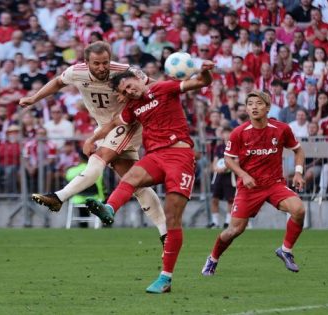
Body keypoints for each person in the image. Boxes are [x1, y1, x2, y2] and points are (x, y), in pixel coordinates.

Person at [83, 61, 215, 294]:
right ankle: (110, 209)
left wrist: (203, 69)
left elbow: (203, 82)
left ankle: (165, 278)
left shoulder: (165, 88)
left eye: (129, 86)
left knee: (172, 218)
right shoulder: (133, 108)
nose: (129, 92)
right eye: (124, 92)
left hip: (180, 156)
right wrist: (92, 139)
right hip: (155, 156)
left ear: (138, 78)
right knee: (130, 178)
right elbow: (114, 123)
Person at [19, 41, 167, 242]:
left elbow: (156, 86)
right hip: (106, 127)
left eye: (105, 62)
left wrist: (137, 92)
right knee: (135, 182)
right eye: (96, 63)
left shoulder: (124, 71)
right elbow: (57, 82)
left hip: (128, 122)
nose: (102, 67)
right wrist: (34, 98)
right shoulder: (75, 72)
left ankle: (59, 197)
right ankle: (165, 231)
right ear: (86, 62)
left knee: (100, 157)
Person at [201, 90, 306, 276]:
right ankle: (213, 258)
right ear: (247, 109)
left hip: (274, 184)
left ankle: (286, 250)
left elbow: (298, 151)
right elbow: (228, 159)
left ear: (267, 107)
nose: (254, 107)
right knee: (234, 230)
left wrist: (298, 173)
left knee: (298, 209)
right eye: (250, 104)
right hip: (249, 188)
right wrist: (244, 175)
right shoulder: (239, 133)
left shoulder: (281, 129)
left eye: (258, 103)